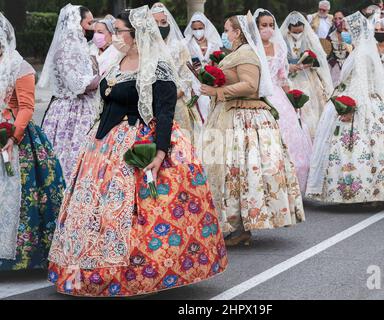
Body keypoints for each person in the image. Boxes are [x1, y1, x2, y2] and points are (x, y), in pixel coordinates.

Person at [47, 6, 228, 297]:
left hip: (140, 142)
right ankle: (87, 266)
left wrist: (159, 154)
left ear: (136, 33)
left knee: (140, 212)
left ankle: (141, 271)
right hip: (104, 144)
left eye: (119, 31)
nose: (114, 35)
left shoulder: (157, 67)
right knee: (98, 210)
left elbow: (165, 113)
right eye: (115, 30)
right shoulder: (115, 60)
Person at [200, 13, 305, 246]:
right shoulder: (237, 53)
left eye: (228, 30)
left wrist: (217, 91)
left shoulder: (246, 53)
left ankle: (242, 226)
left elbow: (250, 86)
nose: (225, 34)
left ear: (238, 32)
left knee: (243, 170)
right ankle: (236, 224)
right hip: (231, 113)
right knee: (234, 170)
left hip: (244, 116)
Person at [306, 8, 384, 205]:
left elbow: (359, 82)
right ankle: (379, 191)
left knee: (357, 147)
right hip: (375, 102)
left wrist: (347, 105)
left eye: (348, 28)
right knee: (379, 148)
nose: (345, 31)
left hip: (360, 101)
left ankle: (363, 191)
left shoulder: (360, 54)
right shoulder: (366, 50)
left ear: (355, 31)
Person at [0, 13, 65, 271]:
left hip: (14, 135)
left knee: (19, 196)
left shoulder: (20, 67)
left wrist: (12, 137)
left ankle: (18, 257)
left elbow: (26, 107)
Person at [39, 4, 100, 182]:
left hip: (83, 105)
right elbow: (77, 84)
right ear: (76, 23)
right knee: (68, 156)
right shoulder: (67, 47)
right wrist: (102, 78)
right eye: (89, 23)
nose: (92, 28)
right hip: (71, 110)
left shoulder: (79, 45)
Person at [254, 8, 313, 193]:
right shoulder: (252, 48)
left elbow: (283, 76)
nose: (268, 29)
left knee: (291, 136)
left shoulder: (279, 47)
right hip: (258, 96)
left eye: (271, 25)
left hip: (278, 95)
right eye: (264, 25)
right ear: (256, 27)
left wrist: (292, 98)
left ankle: (290, 187)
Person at [151, 2, 202, 144]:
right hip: (150, 104)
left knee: (180, 145)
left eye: (163, 22)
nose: (160, 26)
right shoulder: (144, 48)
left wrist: (171, 97)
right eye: (155, 22)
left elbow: (187, 78)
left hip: (176, 102)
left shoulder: (179, 47)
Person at [280, 11, 334, 140]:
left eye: (300, 32)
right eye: (295, 32)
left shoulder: (310, 38)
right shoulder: (282, 40)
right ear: (288, 30)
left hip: (308, 77)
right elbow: (279, 60)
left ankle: (312, 135)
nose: (297, 34)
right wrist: (289, 67)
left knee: (311, 106)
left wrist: (308, 63)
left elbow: (320, 60)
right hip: (290, 77)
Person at [184, 12, 222, 122]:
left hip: (211, 81)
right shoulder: (186, 43)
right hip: (193, 81)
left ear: (205, 27)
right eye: (195, 29)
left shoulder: (214, 43)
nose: (198, 31)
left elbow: (218, 63)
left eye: (200, 28)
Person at [327, 10, 353, 87]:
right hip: (334, 68)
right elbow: (326, 54)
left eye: (340, 18)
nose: (337, 21)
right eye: (335, 18)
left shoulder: (351, 34)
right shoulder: (330, 36)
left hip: (350, 67)